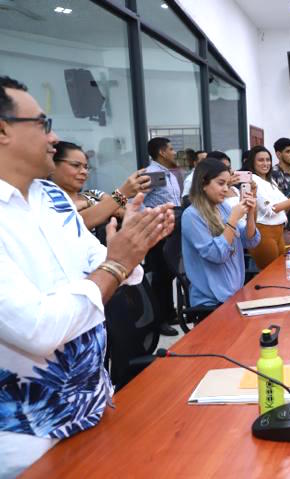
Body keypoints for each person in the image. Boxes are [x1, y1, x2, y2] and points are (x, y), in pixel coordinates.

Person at [0, 76, 174, 476]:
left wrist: (131, 246)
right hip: (29, 439)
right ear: (3, 129)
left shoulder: (53, 198)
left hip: (96, 404)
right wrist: (116, 265)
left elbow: (116, 269)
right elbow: (38, 328)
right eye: (43, 124)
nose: (54, 137)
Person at [181, 158, 260, 306]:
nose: (226, 189)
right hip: (211, 301)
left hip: (235, 293)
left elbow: (250, 240)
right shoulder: (191, 215)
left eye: (228, 184)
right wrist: (233, 220)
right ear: (203, 183)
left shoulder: (223, 207)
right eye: (221, 183)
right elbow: (217, 254)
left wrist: (250, 212)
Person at [50, 141, 150, 235]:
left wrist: (117, 204)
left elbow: (127, 209)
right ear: (52, 165)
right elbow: (75, 223)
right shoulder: (47, 201)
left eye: (86, 167)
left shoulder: (93, 194)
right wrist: (121, 195)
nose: (84, 172)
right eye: (76, 165)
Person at [242, 145, 290, 269]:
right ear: (252, 162)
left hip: (279, 231)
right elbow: (271, 209)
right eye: (260, 160)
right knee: (270, 273)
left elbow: (283, 207)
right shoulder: (252, 180)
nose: (265, 163)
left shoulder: (270, 181)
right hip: (264, 231)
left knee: (280, 271)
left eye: (268, 160)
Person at [144, 136, 182, 336]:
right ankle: (159, 321)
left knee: (168, 273)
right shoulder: (152, 174)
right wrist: (150, 218)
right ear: (161, 152)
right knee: (159, 275)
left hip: (171, 228)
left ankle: (169, 312)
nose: (174, 152)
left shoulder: (168, 174)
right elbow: (134, 200)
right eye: (171, 148)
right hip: (158, 229)